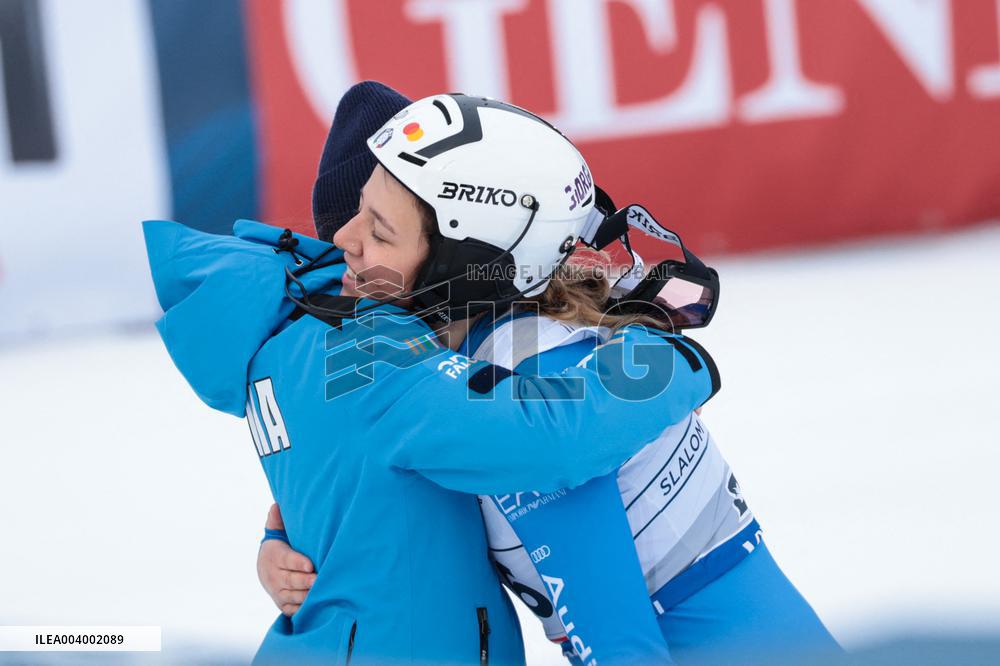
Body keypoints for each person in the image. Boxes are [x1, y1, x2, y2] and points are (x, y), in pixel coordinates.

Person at [257, 87, 842, 664]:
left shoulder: (525, 380)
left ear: (462, 267)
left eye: (378, 230)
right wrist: (286, 547)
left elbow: (622, 648)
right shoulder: (468, 365)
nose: (340, 241)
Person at [143, 85, 718, 664]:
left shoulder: (291, 336)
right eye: (368, 226)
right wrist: (666, 357)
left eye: (379, 225)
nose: (349, 241)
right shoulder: (369, 357)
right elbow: (551, 437)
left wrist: (278, 544)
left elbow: (344, 488)